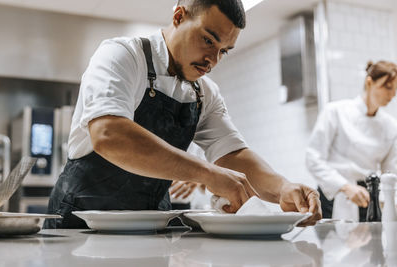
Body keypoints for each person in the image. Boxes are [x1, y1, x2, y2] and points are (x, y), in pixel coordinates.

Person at [44, 0, 321, 229]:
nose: (212, 60)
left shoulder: (205, 93)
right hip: (80, 223)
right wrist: (207, 173)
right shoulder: (122, 55)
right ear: (179, 16)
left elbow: (233, 155)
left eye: (223, 50)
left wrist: (282, 187)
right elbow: (108, 134)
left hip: (150, 226)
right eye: (207, 40)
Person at [306, 60, 397, 222]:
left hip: (369, 200)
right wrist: (345, 187)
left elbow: (390, 172)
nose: (392, 95)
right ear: (370, 83)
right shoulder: (335, 112)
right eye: (387, 87)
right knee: (331, 246)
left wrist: (386, 201)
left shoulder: (390, 126)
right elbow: (313, 158)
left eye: (395, 89)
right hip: (333, 197)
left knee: (371, 246)